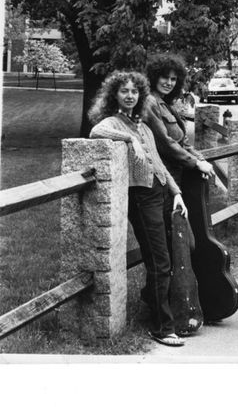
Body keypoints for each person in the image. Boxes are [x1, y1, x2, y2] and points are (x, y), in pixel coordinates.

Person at [89, 70, 188, 347]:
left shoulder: (143, 125)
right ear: (114, 95)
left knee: (165, 255)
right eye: (124, 91)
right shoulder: (113, 122)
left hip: (159, 193)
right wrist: (130, 139)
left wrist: (176, 192)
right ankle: (161, 327)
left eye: (134, 92)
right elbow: (96, 131)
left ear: (140, 95)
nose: (130, 96)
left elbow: (157, 162)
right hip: (141, 198)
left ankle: (154, 304)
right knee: (159, 259)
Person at [144, 53, 215, 186]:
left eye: (173, 79)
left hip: (175, 173)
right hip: (160, 178)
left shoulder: (165, 103)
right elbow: (165, 143)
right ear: (154, 77)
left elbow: (183, 141)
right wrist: (196, 163)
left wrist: (201, 160)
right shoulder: (150, 102)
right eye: (165, 77)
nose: (169, 83)